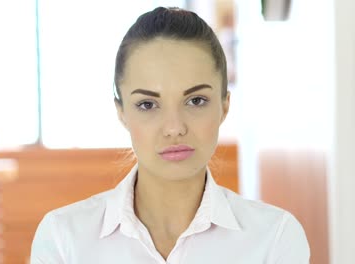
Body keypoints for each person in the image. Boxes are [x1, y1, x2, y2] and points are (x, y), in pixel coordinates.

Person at [31, 6, 310, 263]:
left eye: (196, 101)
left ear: (224, 106)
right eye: (147, 104)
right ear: (122, 112)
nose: (174, 127)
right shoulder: (63, 238)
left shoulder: (275, 238)